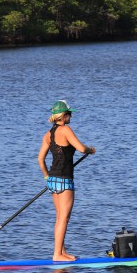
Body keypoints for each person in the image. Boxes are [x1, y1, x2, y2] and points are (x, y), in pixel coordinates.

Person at [38, 100, 96, 261]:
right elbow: (81, 148)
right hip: (65, 180)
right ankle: (57, 254)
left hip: (53, 180)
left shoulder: (48, 134)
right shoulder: (65, 130)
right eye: (69, 114)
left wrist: (46, 176)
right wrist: (90, 150)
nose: (71, 116)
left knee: (59, 217)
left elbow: (40, 159)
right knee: (64, 218)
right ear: (63, 116)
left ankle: (62, 251)